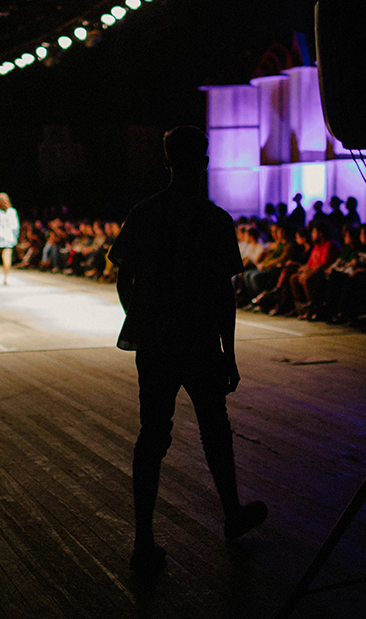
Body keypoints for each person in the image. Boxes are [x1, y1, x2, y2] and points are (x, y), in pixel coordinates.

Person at [109, 126, 267, 580]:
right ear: (207, 159)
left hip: (156, 340)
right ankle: (232, 511)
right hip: (199, 340)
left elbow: (123, 276)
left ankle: (143, 540)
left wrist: (138, 317)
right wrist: (230, 352)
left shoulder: (145, 213)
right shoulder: (214, 220)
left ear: (166, 161)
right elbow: (223, 294)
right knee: (215, 428)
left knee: (152, 436)